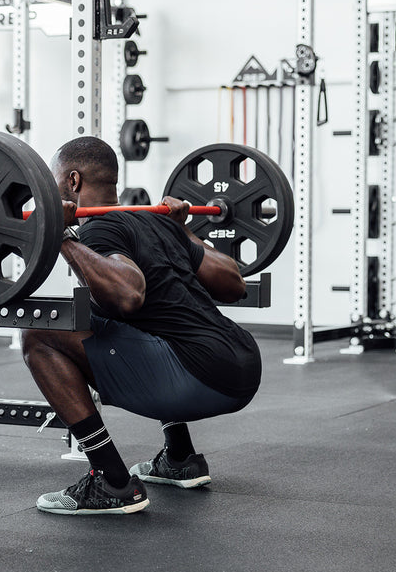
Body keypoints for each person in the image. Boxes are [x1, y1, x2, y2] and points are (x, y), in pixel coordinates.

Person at [21, 136, 261, 515]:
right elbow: (234, 283)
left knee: (40, 333)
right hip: (243, 364)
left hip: (199, 377)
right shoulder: (154, 222)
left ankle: (111, 480)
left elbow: (128, 293)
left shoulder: (97, 229)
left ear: (73, 182)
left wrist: (63, 237)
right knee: (104, 317)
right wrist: (183, 230)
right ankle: (179, 457)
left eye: (53, 182)